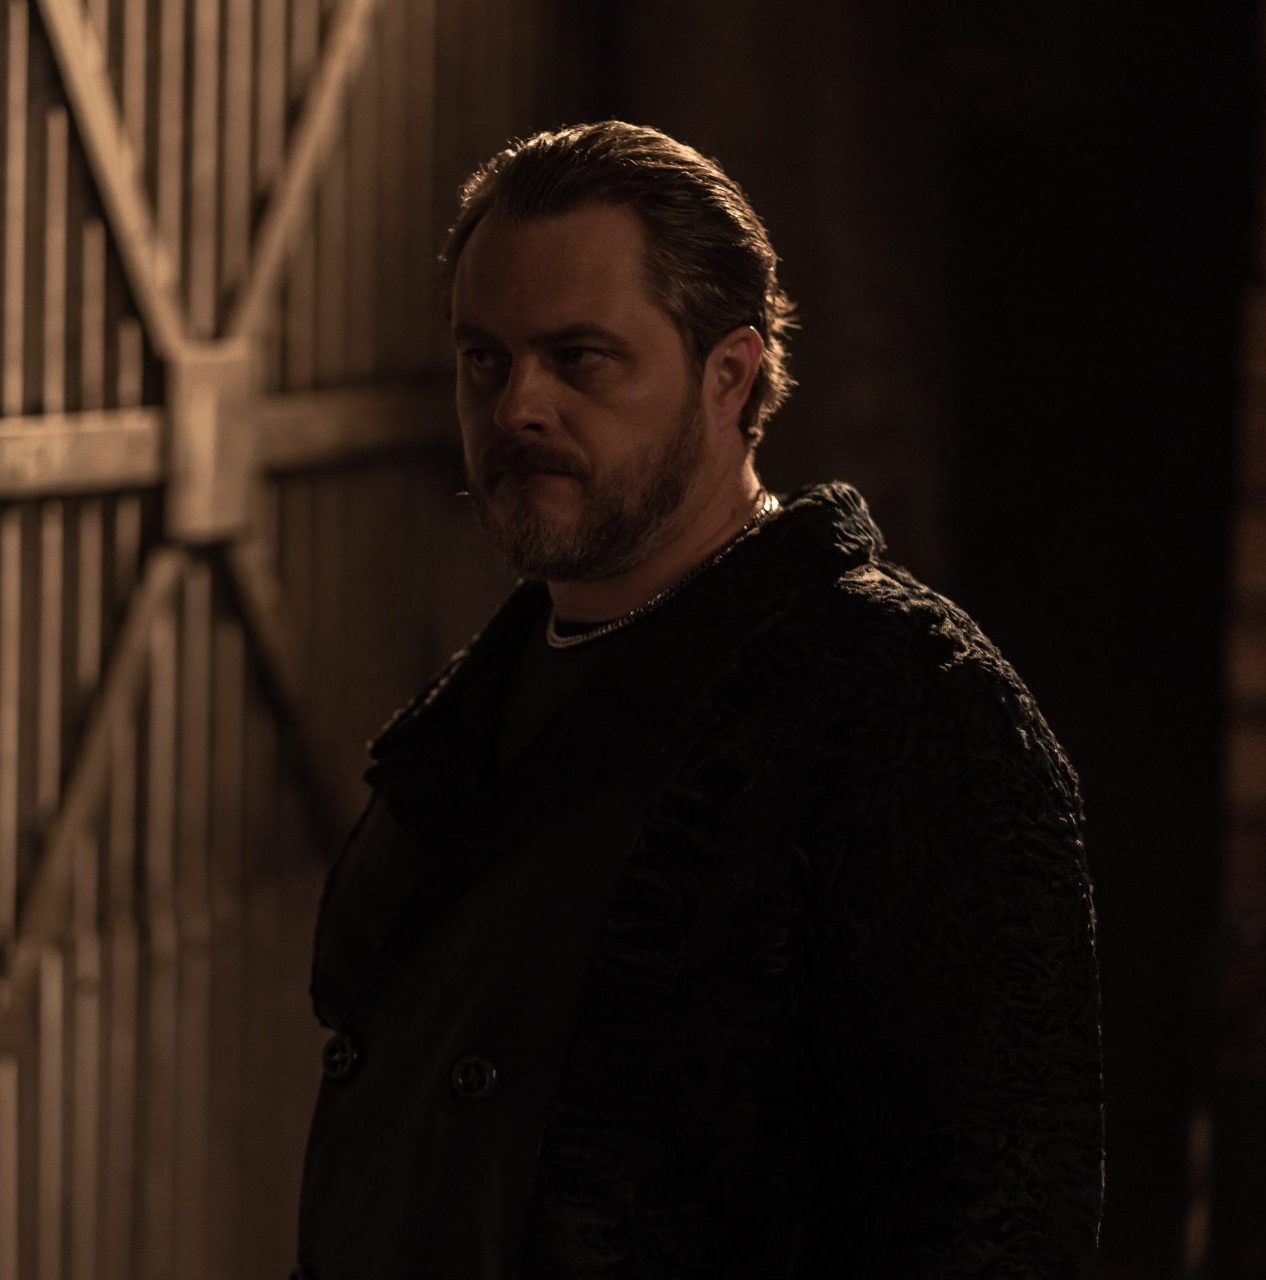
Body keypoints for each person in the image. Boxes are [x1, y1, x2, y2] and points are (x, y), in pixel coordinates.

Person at [293, 121, 1104, 1278]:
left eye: (579, 358)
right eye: (485, 358)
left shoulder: (909, 706)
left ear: (730, 375)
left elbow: (1002, 1223)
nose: (516, 407)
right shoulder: (484, 696)